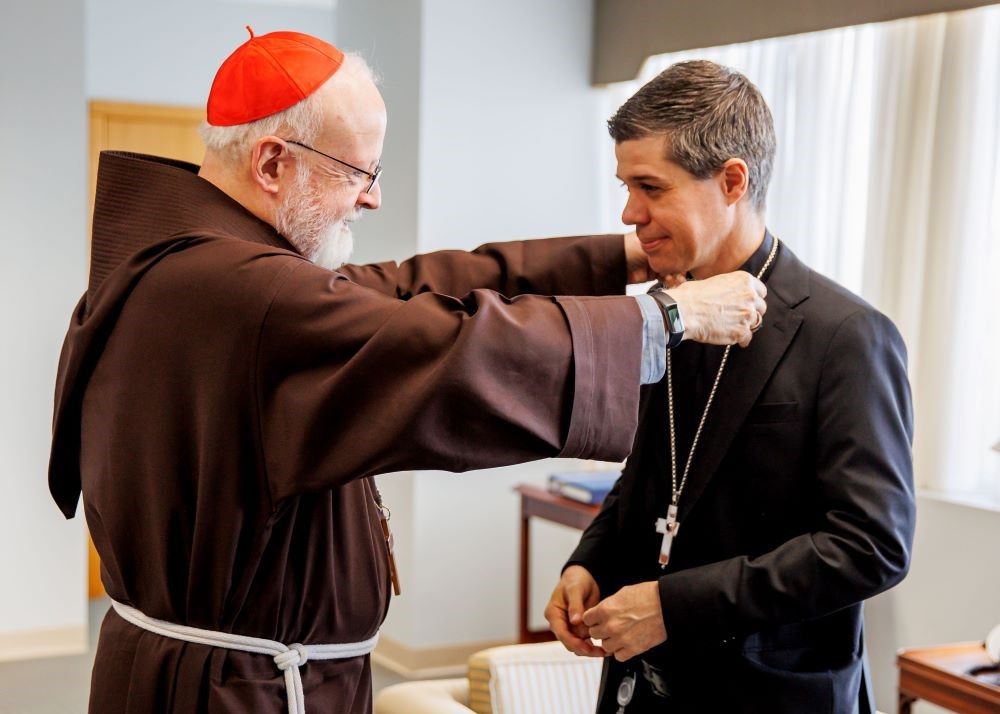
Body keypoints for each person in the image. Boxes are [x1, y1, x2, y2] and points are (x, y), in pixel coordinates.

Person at [48, 32, 767, 714]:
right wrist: (664, 319)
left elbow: (415, 285)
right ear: (273, 164)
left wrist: (616, 260)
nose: (372, 198)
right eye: (359, 173)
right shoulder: (247, 296)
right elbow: (450, 348)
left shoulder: (201, 263)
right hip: (246, 690)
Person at [545, 60, 915, 714]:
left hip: (772, 695)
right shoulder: (669, 312)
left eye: (649, 187)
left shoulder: (847, 335)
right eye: (626, 187)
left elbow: (871, 546)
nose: (630, 213)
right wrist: (592, 560)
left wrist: (674, 605)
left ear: (732, 180)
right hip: (642, 689)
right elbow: (653, 473)